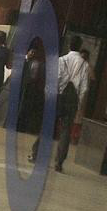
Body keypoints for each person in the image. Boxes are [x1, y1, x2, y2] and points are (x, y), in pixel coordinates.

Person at [29, 36, 90, 173]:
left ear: (69, 45)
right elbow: (84, 87)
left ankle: (35, 154)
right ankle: (59, 162)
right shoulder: (84, 64)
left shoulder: (61, 60)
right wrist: (79, 102)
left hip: (58, 95)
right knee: (66, 131)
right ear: (80, 47)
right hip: (72, 98)